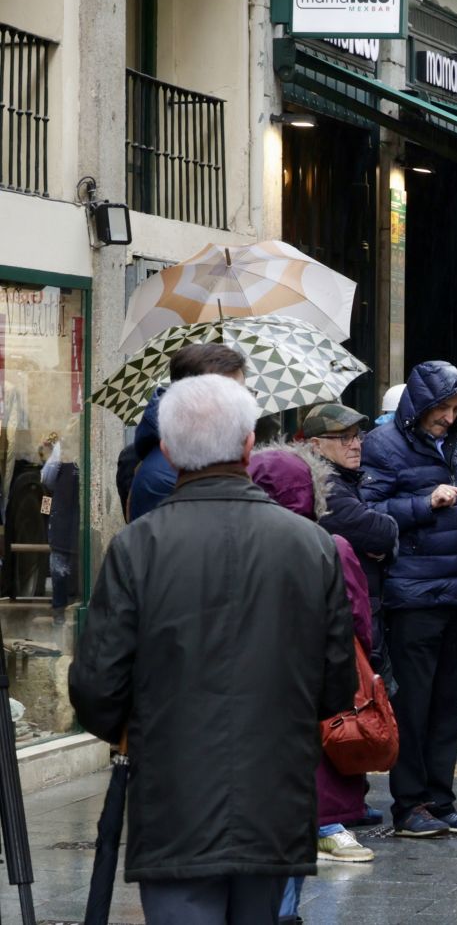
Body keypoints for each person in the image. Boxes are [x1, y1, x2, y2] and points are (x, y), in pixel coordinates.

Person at [70, 376, 355, 922]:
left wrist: (140, 725)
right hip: (274, 789)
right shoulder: (311, 544)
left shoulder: (137, 546)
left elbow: (96, 685)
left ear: (170, 451)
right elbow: (335, 682)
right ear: (250, 445)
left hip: (173, 794)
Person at [246, 447, 380, 925]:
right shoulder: (330, 547)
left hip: (246, 707)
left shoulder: (233, 546)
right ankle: (284, 912)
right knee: (299, 806)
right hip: (308, 704)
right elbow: (356, 625)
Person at [362, 361, 457, 839]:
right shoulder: (382, 447)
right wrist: (423, 503)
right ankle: (409, 804)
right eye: (443, 408)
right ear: (420, 405)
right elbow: (368, 512)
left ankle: (441, 799)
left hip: (454, 589)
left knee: (445, 705)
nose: (451, 417)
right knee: (412, 706)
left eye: (456, 409)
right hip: (412, 595)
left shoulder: (456, 444)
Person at [303, 403, 399, 682]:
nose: (356, 445)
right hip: (349, 615)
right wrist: (385, 539)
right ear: (316, 445)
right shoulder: (327, 487)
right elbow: (382, 532)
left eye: (358, 436)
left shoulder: (346, 480)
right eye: (344, 437)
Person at [124, 342, 249, 521]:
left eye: (244, 393)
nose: (243, 404)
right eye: (232, 395)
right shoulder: (161, 479)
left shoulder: (214, 454)